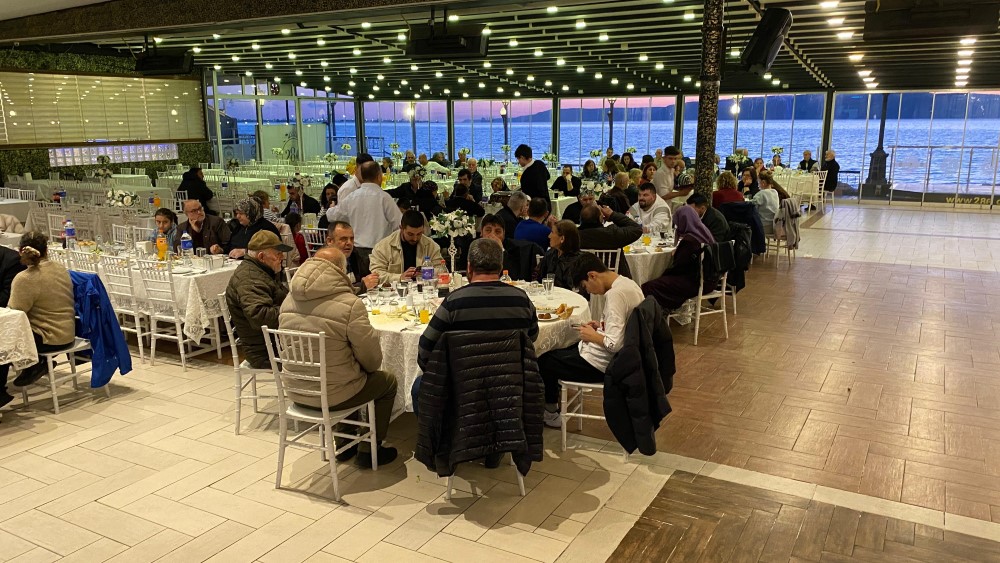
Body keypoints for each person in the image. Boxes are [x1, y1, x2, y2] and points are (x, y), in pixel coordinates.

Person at [412, 238, 539, 466]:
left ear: (469, 267)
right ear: (501, 267)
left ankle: (447, 445)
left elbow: (425, 349)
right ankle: (495, 447)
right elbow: (531, 339)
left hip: (462, 387)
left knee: (419, 388)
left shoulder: (454, 302)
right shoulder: (521, 300)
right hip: (510, 387)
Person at [278, 246, 399, 467]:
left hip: (295, 390)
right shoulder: (349, 304)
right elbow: (372, 361)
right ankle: (370, 448)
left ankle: (344, 442)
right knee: (386, 381)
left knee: (342, 373)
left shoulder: (289, 299)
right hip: (333, 395)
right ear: (341, 271)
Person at [537, 252, 643, 427]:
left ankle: (550, 413)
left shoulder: (615, 295)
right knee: (560, 349)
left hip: (603, 364)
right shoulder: (628, 283)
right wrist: (601, 326)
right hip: (619, 357)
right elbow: (624, 327)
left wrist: (593, 336)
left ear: (592, 275)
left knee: (544, 360)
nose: (587, 291)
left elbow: (614, 344)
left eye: (585, 286)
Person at [0, 233, 73, 407]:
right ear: (47, 250)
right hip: (68, 331)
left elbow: (15, 313)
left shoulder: (25, 278)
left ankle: (1, 392)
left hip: (47, 337)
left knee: (3, 338)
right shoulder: (60, 268)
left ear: (20, 251)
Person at [225, 231, 290, 369]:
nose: (282, 257)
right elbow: (260, 316)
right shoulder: (249, 278)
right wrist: (294, 311)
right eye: (278, 253)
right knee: (325, 352)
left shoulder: (263, 271)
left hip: (276, 342)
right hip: (265, 351)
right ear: (261, 257)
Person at [641, 206, 716, 312]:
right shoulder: (703, 232)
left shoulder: (689, 241)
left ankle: (657, 315)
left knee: (649, 286)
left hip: (696, 282)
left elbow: (679, 267)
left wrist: (662, 272)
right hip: (710, 280)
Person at [329, 161, 402, 258]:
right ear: (379, 176)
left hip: (356, 250)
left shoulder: (352, 197)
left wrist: (331, 208)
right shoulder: (384, 197)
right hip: (379, 251)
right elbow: (399, 223)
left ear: (362, 177)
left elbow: (331, 216)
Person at [369, 210, 444, 284]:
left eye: (419, 234)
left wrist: (426, 272)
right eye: (410, 234)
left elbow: (441, 270)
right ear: (401, 228)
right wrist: (400, 277)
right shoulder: (383, 247)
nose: (415, 238)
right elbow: (376, 274)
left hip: (424, 288)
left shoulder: (431, 246)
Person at [578, 204, 642, 279]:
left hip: (584, 280)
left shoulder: (574, 236)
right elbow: (636, 229)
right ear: (600, 218)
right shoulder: (612, 234)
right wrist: (612, 215)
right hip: (615, 279)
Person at [480, 214, 540, 282]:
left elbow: (513, 276)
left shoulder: (514, 249)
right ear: (481, 232)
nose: (493, 235)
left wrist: (501, 250)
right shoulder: (475, 248)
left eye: (498, 231)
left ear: (504, 234)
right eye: (488, 230)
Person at [327, 221, 378, 293]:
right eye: (343, 239)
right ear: (329, 241)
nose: (349, 243)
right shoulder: (322, 261)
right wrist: (362, 286)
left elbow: (368, 277)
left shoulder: (356, 255)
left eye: (351, 239)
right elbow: (331, 291)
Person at [536, 220, 583, 290]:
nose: (549, 236)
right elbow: (537, 275)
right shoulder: (551, 253)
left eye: (552, 232)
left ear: (562, 238)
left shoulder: (578, 261)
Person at [515, 144, 551, 211]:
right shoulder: (540, 164)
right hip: (547, 204)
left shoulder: (525, 175)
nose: (518, 162)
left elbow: (527, 195)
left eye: (518, 159)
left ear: (522, 157)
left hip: (535, 208)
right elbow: (548, 176)